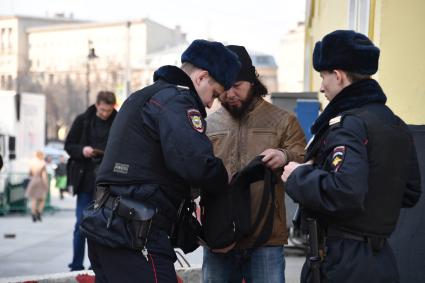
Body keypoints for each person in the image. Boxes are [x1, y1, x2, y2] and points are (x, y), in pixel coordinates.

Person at [86, 39, 241, 282]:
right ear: (201, 77)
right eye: (214, 94)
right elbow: (195, 163)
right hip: (137, 236)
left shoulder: (145, 96)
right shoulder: (177, 101)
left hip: (108, 228)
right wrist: (223, 176)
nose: (211, 104)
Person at [281, 30, 422, 283]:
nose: (322, 86)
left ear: (338, 75)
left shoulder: (349, 124)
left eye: (323, 76)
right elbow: (410, 192)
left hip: (342, 263)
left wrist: (299, 176)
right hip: (381, 260)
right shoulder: (394, 123)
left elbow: (345, 190)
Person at [202, 45, 306, 283]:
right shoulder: (208, 124)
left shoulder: (283, 120)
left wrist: (284, 156)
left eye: (237, 86)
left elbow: (304, 157)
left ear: (253, 82)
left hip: (265, 240)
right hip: (219, 237)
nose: (230, 93)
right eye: (225, 87)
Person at [64, 91, 117, 271]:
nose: (105, 114)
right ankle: (77, 265)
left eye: (108, 111)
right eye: (102, 110)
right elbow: (69, 145)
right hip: (85, 180)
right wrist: (83, 150)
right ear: (96, 105)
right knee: (81, 224)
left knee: (104, 226)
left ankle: (98, 265)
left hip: (107, 184)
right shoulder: (83, 120)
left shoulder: (118, 122)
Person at [25, 150, 49, 222]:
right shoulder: (42, 163)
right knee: (42, 199)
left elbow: (29, 173)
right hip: (40, 182)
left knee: (33, 199)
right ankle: (39, 212)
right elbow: (44, 175)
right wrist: (46, 185)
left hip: (33, 181)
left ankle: (33, 214)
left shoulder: (32, 163)